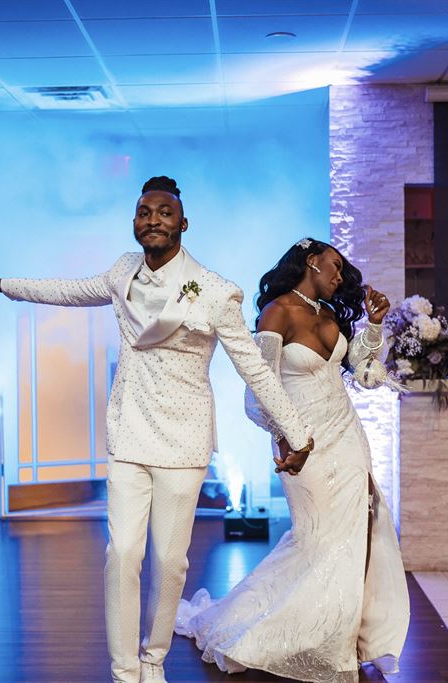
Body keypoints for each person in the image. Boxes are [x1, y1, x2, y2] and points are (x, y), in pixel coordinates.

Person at [0, 176, 316, 683]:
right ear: (134, 222)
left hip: (184, 441)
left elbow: (254, 368)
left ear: (183, 224)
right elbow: (69, 291)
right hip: (128, 433)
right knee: (122, 554)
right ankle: (124, 672)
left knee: (169, 562)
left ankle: (153, 660)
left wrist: (296, 433)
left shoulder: (214, 291)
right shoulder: (122, 271)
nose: (153, 220)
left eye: (165, 213)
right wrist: (3, 285)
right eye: (145, 212)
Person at [175, 237, 411, 682]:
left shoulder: (330, 315)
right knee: (315, 537)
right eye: (334, 265)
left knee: (360, 527)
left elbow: (363, 374)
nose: (340, 276)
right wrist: (285, 437)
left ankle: (342, 637)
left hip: (346, 436)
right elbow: (258, 392)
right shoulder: (277, 312)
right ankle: (272, 633)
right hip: (302, 444)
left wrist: (374, 326)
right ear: (311, 260)